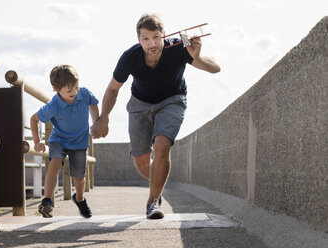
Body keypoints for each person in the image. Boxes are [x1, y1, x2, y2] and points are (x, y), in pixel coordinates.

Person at [91, 13, 220, 219]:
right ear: (139, 40)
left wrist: (197, 57)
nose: (152, 43)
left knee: (162, 145)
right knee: (143, 164)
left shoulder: (179, 47)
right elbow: (113, 89)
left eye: (156, 37)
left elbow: (216, 68)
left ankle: (153, 202)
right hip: (139, 105)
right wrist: (104, 118)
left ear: (164, 35)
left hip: (172, 100)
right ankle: (158, 183)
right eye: (145, 39)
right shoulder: (130, 57)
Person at [30, 64, 99, 218]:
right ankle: (47, 200)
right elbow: (34, 119)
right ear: (56, 89)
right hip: (59, 140)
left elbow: (94, 105)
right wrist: (37, 140)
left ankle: (79, 199)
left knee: (79, 178)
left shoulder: (84, 94)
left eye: (76, 87)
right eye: (69, 91)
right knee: (55, 162)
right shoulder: (54, 105)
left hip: (79, 142)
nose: (74, 92)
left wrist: (97, 123)